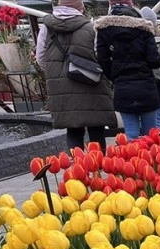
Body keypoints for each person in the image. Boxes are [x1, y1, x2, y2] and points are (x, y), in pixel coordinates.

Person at [36, 0, 116, 153]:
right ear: (80, 7)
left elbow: (40, 57)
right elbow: (99, 54)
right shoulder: (90, 27)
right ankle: (98, 168)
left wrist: (57, 71)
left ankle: (79, 169)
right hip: (91, 83)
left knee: (73, 129)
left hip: (60, 87)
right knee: (96, 127)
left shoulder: (46, 28)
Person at [95, 0, 160, 140]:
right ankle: (153, 161)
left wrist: (114, 75)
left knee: (131, 135)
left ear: (110, 5)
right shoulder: (144, 28)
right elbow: (155, 61)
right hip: (146, 87)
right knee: (151, 135)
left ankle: (133, 161)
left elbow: (102, 60)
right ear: (131, 5)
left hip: (122, 87)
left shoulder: (104, 30)